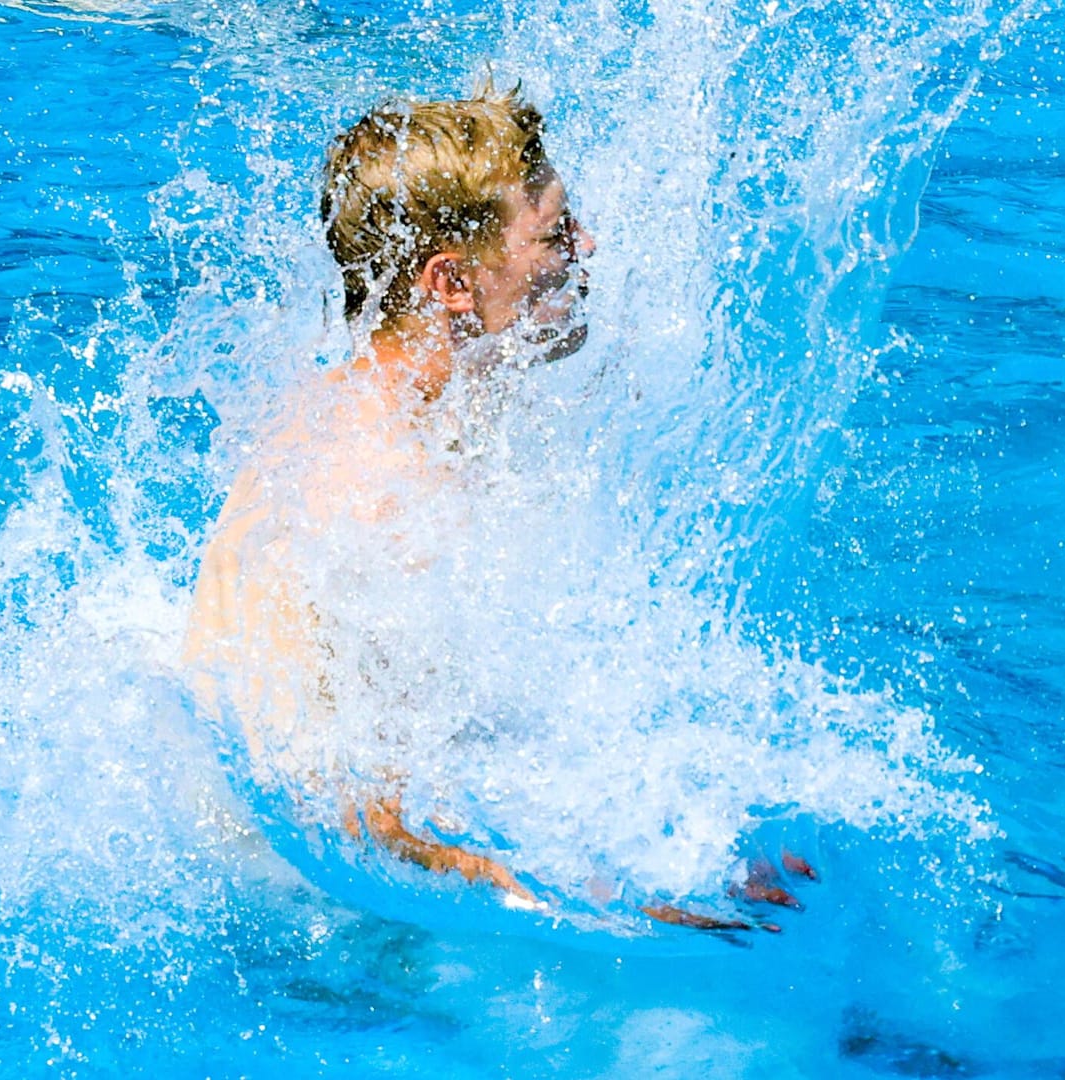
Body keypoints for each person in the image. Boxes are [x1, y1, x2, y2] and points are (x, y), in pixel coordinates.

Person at [188, 86, 808, 930]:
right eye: (554, 235)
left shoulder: (423, 407)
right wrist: (616, 890)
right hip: (317, 929)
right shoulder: (373, 495)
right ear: (450, 281)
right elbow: (351, 810)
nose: (586, 248)